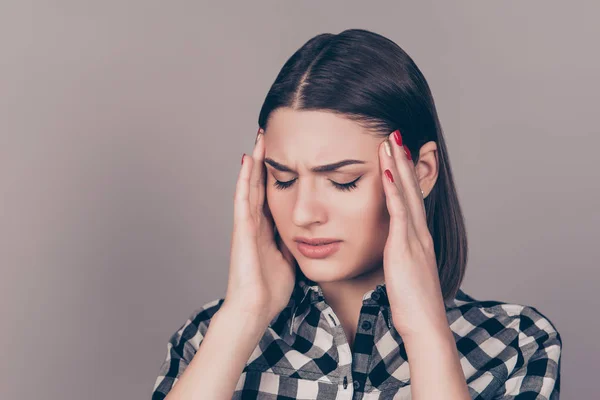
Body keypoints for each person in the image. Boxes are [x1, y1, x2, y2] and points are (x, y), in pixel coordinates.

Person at [151, 29, 562, 399]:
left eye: (343, 180)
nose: (304, 213)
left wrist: (424, 329)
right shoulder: (208, 338)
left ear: (420, 173)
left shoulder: (515, 346)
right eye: (283, 179)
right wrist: (243, 315)